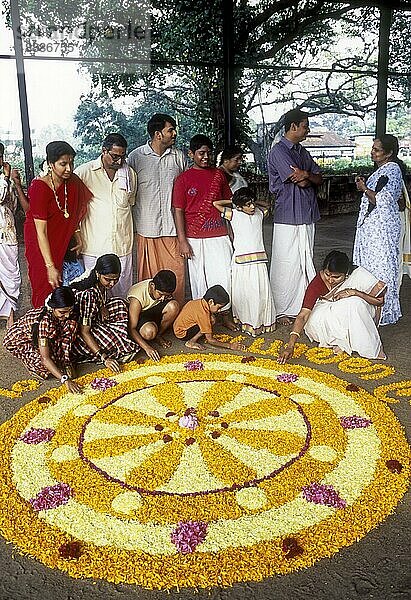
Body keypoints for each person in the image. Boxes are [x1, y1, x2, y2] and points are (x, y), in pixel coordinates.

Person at [172, 134, 235, 328]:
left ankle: (225, 316)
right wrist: (182, 241)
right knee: (200, 278)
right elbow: (178, 210)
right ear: (191, 154)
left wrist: (233, 235)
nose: (206, 157)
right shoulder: (183, 179)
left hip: (219, 235)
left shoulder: (219, 176)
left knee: (224, 275)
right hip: (194, 237)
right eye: (201, 153)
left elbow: (229, 206)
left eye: (209, 153)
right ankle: (203, 318)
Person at [278, 251, 386, 363]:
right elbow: (303, 315)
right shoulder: (318, 281)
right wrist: (290, 346)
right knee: (314, 320)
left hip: (354, 309)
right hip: (327, 314)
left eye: (336, 277)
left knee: (355, 303)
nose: (330, 280)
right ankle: (343, 341)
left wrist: (355, 292)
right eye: (327, 274)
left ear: (346, 273)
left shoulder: (358, 274)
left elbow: (379, 301)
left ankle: (359, 344)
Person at [268, 108, 322, 325]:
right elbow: (298, 181)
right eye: (305, 125)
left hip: (307, 214)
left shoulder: (302, 151)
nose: (307, 129)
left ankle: (303, 305)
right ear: (293, 127)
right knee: (285, 263)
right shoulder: (278, 151)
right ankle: (281, 309)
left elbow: (317, 178)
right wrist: (308, 178)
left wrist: (307, 174)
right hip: (287, 216)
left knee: (304, 259)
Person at [127, 114, 187, 306]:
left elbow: (187, 189)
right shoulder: (136, 157)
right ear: (158, 134)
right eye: (170, 129)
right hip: (146, 227)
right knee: (148, 277)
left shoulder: (179, 157)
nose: (174, 133)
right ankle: (148, 315)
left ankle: (173, 314)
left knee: (176, 273)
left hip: (172, 227)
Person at [24, 141, 92, 308]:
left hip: (62, 238)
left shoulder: (73, 181)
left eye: (71, 163)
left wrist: (77, 234)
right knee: (47, 284)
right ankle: (43, 325)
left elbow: (73, 213)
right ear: (50, 164)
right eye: (63, 164)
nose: (69, 168)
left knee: (71, 286)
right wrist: (50, 266)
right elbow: (41, 232)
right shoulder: (39, 187)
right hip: (41, 243)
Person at [75, 133, 137, 298]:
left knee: (123, 294)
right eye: (115, 156)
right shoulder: (84, 173)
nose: (119, 161)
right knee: (91, 294)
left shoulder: (130, 174)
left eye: (122, 157)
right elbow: (74, 209)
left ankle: (122, 323)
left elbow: (130, 203)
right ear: (104, 151)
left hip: (122, 246)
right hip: (94, 246)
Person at [353, 134, 404, 325]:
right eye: (373, 149)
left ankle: (383, 310)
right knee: (371, 268)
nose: (372, 153)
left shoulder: (392, 170)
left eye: (377, 150)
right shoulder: (384, 170)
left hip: (382, 230)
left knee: (381, 268)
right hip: (373, 229)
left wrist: (364, 189)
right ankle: (370, 307)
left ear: (389, 153)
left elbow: (384, 199)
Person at [213, 187, 276, 336]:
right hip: (241, 262)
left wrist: (249, 200)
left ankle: (262, 323)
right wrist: (234, 202)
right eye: (248, 204)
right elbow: (216, 203)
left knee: (260, 293)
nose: (252, 207)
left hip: (259, 262)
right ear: (239, 206)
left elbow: (267, 205)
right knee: (246, 294)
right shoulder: (234, 214)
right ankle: (247, 322)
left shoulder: (259, 214)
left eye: (253, 203)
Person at [3, 286, 82, 392]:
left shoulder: (62, 315)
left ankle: (63, 361)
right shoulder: (44, 323)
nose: (67, 315)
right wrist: (65, 379)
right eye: (62, 312)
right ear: (53, 308)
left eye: (69, 311)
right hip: (20, 339)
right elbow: (45, 359)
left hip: (39, 334)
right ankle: (30, 363)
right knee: (44, 366)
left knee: (71, 325)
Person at [71, 254, 140, 373]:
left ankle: (116, 335)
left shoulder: (99, 285)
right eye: (108, 279)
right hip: (79, 333)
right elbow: (84, 331)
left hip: (93, 319)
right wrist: (104, 358)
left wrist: (102, 305)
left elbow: (100, 298)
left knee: (120, 303)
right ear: (98, 274)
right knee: (120, 344)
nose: (112, 284)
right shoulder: (88, 294)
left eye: (115, 279)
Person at [0, 144, 28, 327]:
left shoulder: (5, 179)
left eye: (1, 156)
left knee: (11, 274)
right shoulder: (3, 178)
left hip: (7, 232)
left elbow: (12, 205)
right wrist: (5, 178)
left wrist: (13, 182)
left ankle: (10, 314)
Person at [173, 285, 246, 351]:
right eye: (219, 307)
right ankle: (191, 342)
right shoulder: (202, 314)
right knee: (211, 320)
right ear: (211, 302)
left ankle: (201, 332)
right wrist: (230, 346)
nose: (219, 310)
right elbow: (210, 340)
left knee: (211, 318)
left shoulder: (198, 302)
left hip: (177, 327)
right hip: (182, 334)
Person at [127, 269, 180, 361]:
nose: (163, 298)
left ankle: (158, 335)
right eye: (161, 294)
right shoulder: (136, 298)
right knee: (149, 332)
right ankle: (153, 332)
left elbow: (165, 301)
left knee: (174, 306)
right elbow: (131, 328)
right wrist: (147, 348)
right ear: (152, 285)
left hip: (153, 312)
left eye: (167, 296)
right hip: (141, 315)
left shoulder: (161, 288)